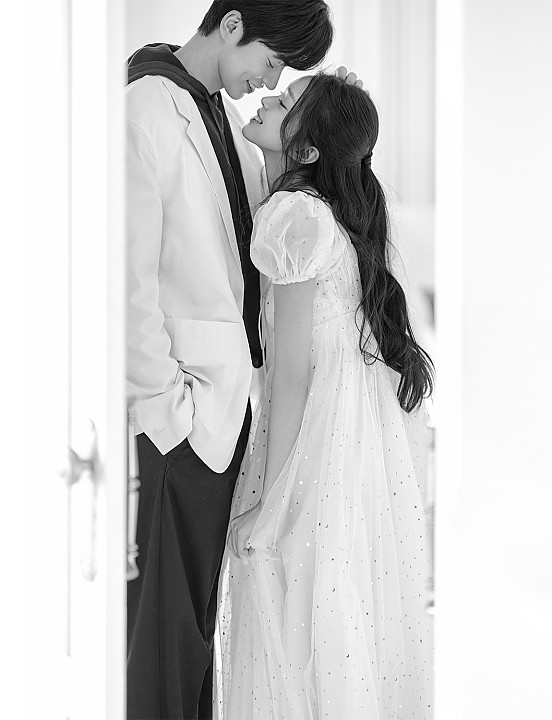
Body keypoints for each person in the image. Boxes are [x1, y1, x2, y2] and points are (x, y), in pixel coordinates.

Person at [125, 2, 334, 719]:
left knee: (196, 635)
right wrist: (166, 413)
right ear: (234, 25)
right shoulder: (146, 109)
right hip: (177, 423)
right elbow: (128, 282)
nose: (268, 82)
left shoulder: (223, 121)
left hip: (222, 417)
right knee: (160, 639)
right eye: (271, 63)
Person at [217, 73, 435, 719]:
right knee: (323, 609)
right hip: (342, 439)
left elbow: (290, 374)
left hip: (312, 438)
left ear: (308, 150)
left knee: (287, 601)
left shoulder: (295, 216)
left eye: (285, 102)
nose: (266, 97)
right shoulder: (316, 210)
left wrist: (269, 499)